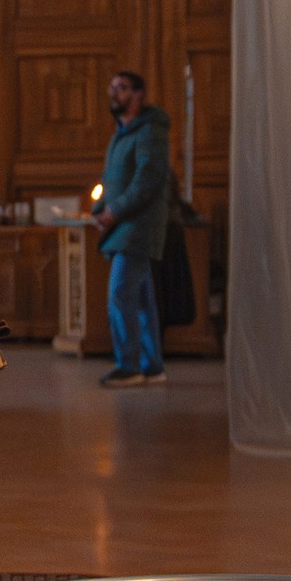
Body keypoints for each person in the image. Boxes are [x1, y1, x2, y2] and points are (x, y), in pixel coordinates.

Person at [96, 66, 174, 387]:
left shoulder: (149, 131)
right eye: (113, 87)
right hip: (124, 225)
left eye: (123, 88)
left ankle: (128, 366)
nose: (115, 93)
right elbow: (112, 181)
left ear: (139, 95)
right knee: (141, 299)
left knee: (120, 295)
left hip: (138, 228)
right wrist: (100, 208)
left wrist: (114, 212)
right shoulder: (122, 132)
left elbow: (147, 181)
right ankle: (152, 366)